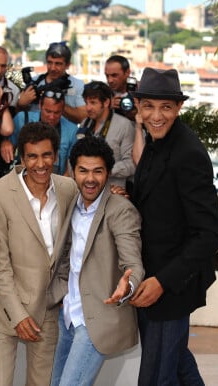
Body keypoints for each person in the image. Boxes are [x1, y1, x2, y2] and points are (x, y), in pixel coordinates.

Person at [129, 68, 218, 386]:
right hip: (152, 280)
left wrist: (162, 282)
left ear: (178, 108)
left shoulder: (189, 153)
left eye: (166, 107)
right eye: (149, 107)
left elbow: (210, 233)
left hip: (170, 288)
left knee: (157, 377)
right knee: (178, 365)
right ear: (138, 107)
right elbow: (157, 198)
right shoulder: (155, 141)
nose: (157, 116)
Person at [0, 122, 78, 386]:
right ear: (22, 158)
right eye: (32, 156)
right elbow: (0, 264)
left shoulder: (68, 189)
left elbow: (70, 247)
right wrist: (18, 314)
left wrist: (59, 292)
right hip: (5, 309)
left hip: (46, 309)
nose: (40, 163)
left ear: (56, 156)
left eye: (47, 155)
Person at [47, 135, 144, 386]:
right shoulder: (70, 204)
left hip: (97, 319)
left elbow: (132, 262)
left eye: (98, 171)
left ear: (108, 173)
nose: (90, 178)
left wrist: (128, 286)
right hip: (68, 314)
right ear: (72, 171)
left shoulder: (120, 210)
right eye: (83, 171)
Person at [1, 87, 77, 175]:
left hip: (55, 180)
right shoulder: (22, 118)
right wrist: (5, 141)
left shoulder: (72, 130)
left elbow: (71, 166)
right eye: (48, 111)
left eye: (57, 113)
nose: (52, 117)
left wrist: (61, 185)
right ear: (40, 105)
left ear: (63, 110)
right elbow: (8, 143)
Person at [77, 81, 136, 187]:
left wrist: (103, 170)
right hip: (85, 192)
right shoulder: (84, 123)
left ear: (106, 102)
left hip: (112, 193)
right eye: (86, 103)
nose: (88, 108)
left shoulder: (124, 125)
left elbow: (131, 164)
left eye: (93, 103)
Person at [18, 42, 86, 124]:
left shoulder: (78, 85)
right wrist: (21, 104)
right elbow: (19, 115)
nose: (53, 68)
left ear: (68, 65)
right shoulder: (34, 83)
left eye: (58, 64)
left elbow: (83, 118)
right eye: (50, 62)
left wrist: (56, 100)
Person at [105, 55, 137, 121]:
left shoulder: (140, 91)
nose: (110, 80)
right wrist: (107, 107)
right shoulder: (104, 94)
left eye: (114, 75)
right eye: (107, 75)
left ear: (127, 72)